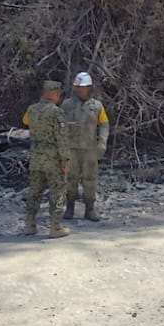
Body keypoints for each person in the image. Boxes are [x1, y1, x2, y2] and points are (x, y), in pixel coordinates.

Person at [21, 80, 71, 239]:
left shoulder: (31, 110)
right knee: (57, 191)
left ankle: (30, 224)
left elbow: (25, 122)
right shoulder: (57, 113)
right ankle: (55, 227)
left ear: (43, 93)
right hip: (53, 159)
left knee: (34, 191)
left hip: (35, 157)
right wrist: (66, 160)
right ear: (56, 94)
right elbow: (62, 139)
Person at [60, 71, 110, 221]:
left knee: (90, 179)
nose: (79, 90)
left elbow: (104, 124)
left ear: (89, 88)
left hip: (90, 149)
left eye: (82, 87)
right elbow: (59, 124)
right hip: (71, 148)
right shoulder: (67, 104)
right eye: (77, 87)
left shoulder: (97, 106)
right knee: (70, 178)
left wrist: (102, 142)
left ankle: (90, 209)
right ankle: (69, 208)